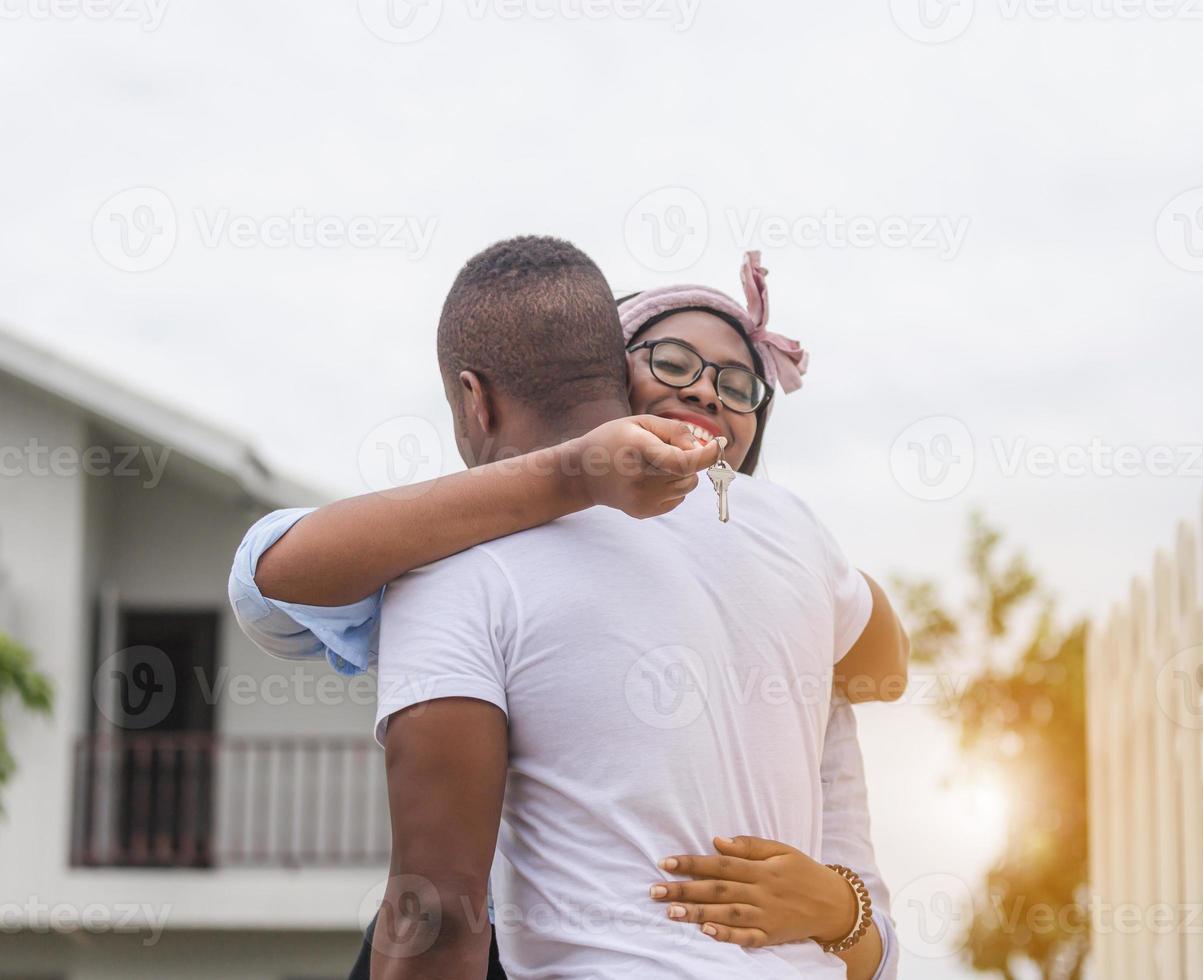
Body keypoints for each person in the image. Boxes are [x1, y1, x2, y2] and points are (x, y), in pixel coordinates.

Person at [228, 240, 904, 978]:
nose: (705, 395)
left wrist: (842, 910)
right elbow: (278, 572)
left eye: (739, 384)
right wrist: (575, 475)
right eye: (674, 364)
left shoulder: (451, 566)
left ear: (473, 400)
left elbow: (435, 914)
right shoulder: (793, 537)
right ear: (609, 371)